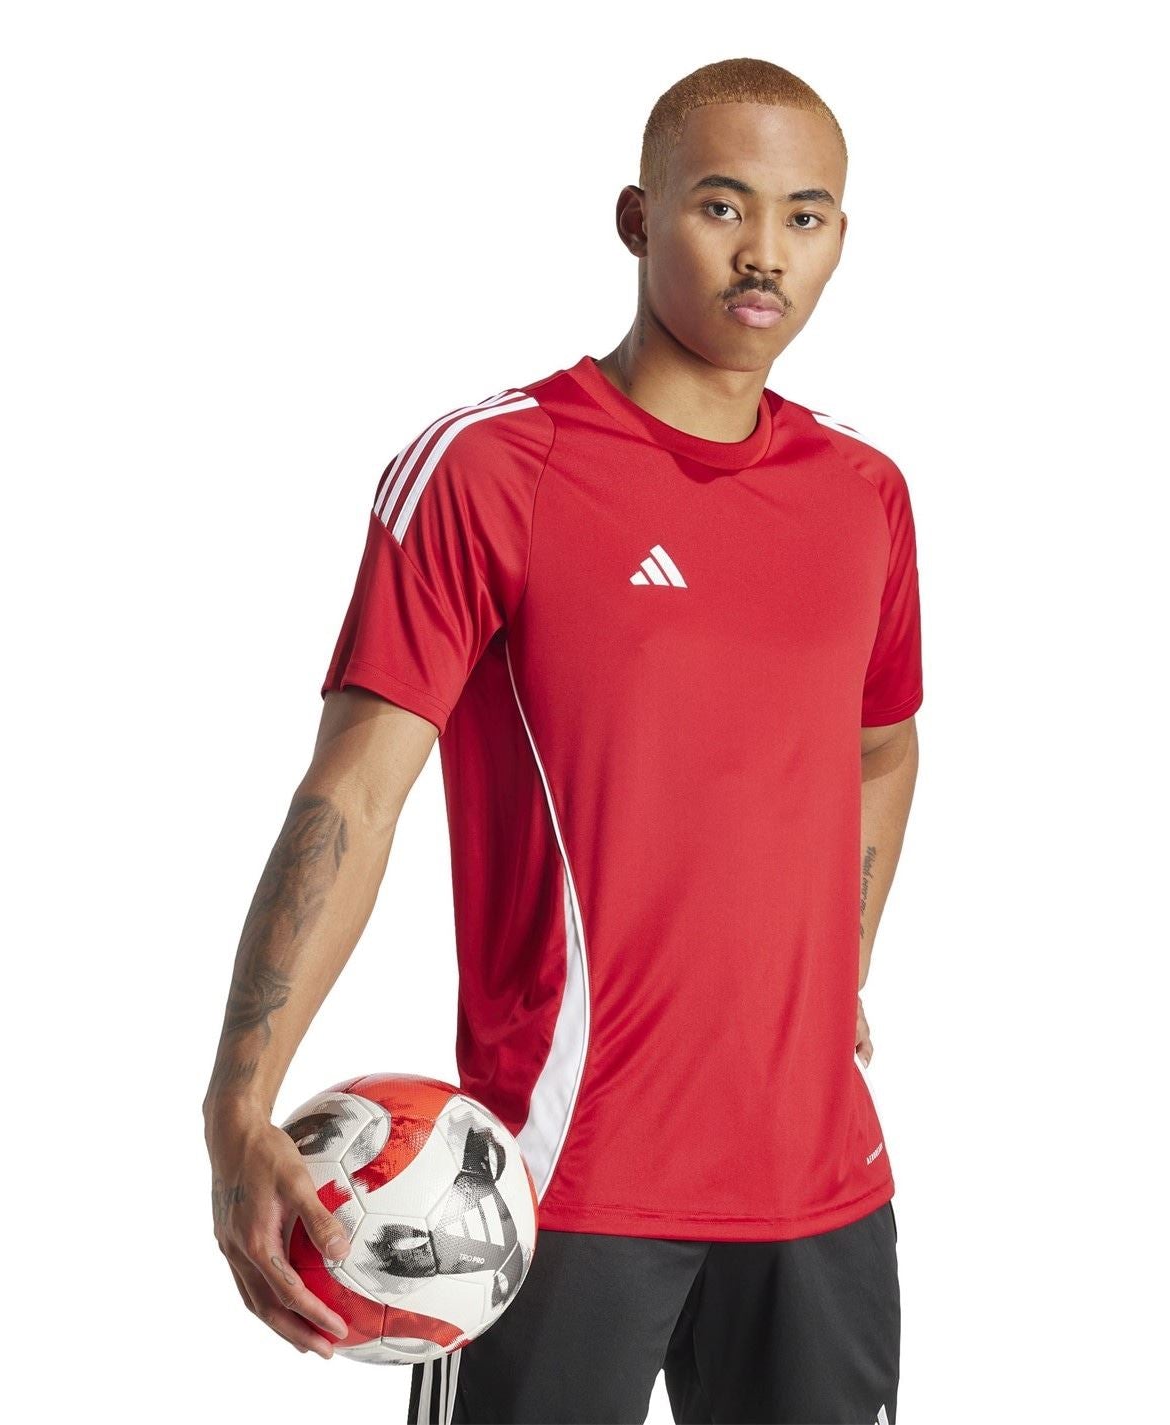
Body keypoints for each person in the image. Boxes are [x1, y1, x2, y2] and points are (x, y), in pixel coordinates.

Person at [203, 55, 922, 1425]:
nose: (765, 254)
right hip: (540, 1194)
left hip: (820, 1191)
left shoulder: (862, 494)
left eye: (806, 215)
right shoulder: (493, 469)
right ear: (637, 218)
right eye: (722, 205)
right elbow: (354, 794)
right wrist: (238, 1104)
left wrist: (843, 959)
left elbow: (880, 746)